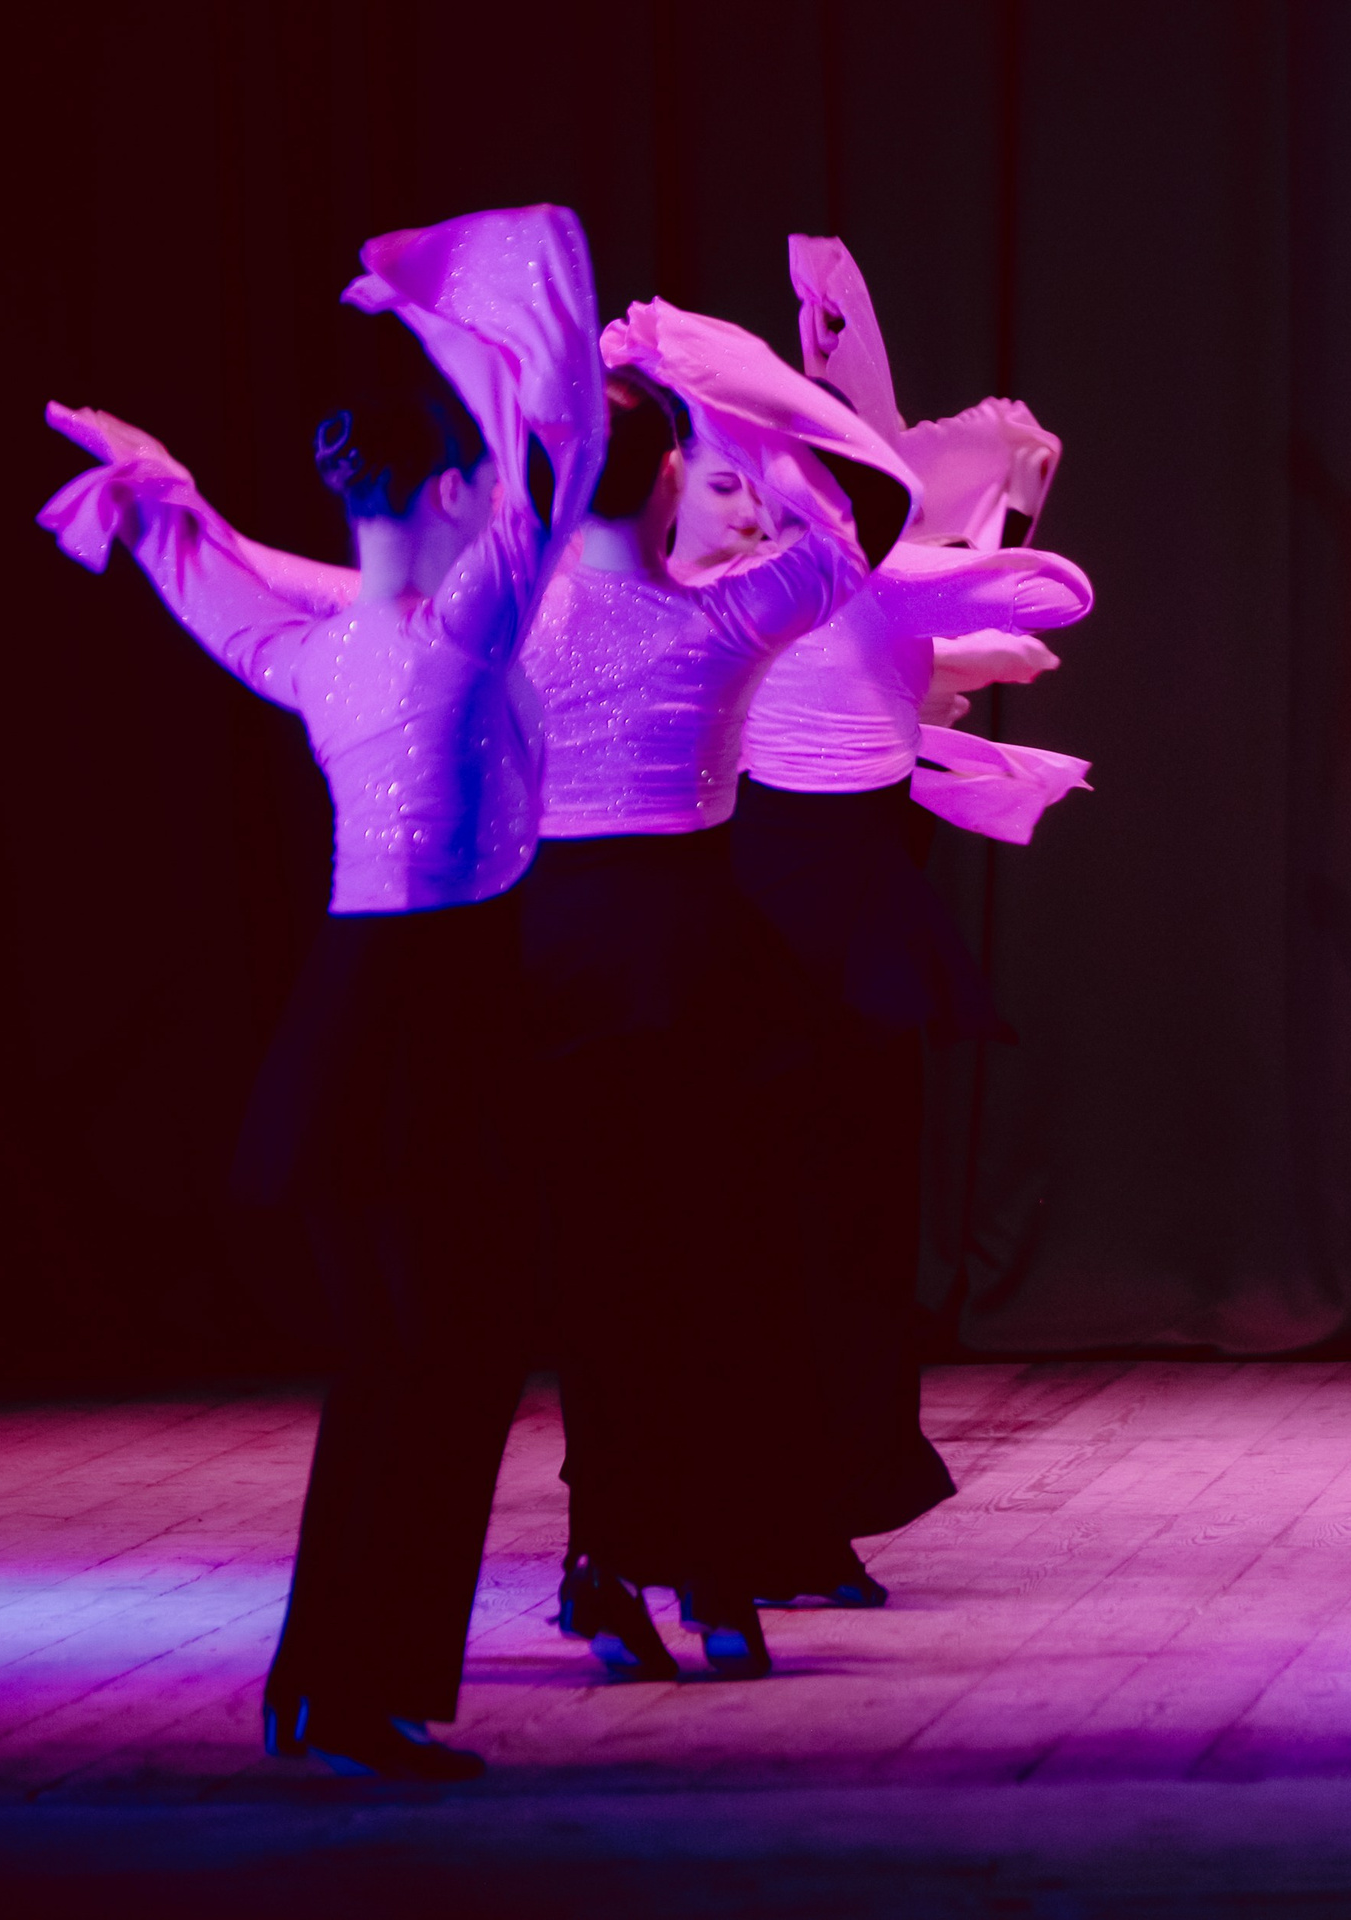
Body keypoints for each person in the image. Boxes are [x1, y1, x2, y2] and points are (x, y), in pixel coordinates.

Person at [35, 205, 604, 1780]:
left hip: (358, 1029)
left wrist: (162, 490)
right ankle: (354, 1690)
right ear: (451, 498)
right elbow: (557, 472)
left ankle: (329, 1685)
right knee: (440, 1366)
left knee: (403, 1366)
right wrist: (466, 336)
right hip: (432, 1029)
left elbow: (191, 566)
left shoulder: (319, 661)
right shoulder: (452, 643)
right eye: (481, 490)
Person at [521, 297, 1092, 1680]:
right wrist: (745, 392)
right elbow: (873, 530)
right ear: (665, 480)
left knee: (694, 1261)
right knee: (670, 1262)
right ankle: (662, 1549)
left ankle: (696, 1543)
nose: (733, 502)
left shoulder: (593, 614)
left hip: (649, 961)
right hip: (668, 959)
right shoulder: (699, 618)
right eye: (706, 475)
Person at [712, 234, 1093, 1603]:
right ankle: (759, 1497)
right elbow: (1018, 605)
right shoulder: (773, 579)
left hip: (837, 898)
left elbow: (1014, 615)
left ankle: (817, 1489)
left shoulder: (855, 575)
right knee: (789, 1213)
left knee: (843, 1212)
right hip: (775, 901)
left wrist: (996, 505)